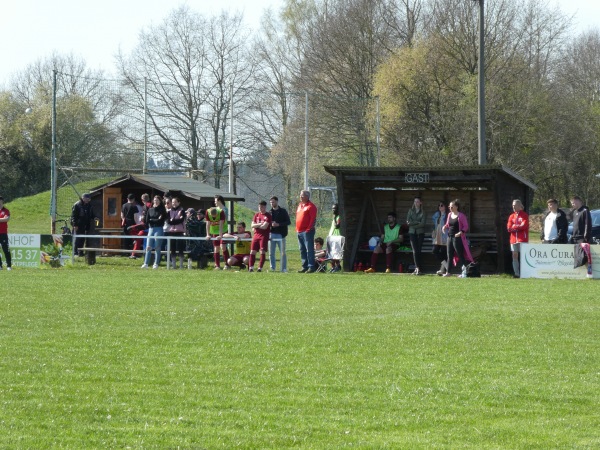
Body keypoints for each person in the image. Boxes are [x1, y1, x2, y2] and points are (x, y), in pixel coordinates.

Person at [442, 199, 474, 278]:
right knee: (449, 255)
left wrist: (460, 232)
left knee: (460, 255)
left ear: (456, 207)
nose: (450, 208)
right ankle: (448, 272)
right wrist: (444, 227)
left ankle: (465, 272)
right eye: (449, 206)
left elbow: (466, 227)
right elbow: (447, 224)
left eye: (452, 206)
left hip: (458, 238)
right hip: (450, 237)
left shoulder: (461, 216)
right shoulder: (449, 215)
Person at [141, 195, 167, 269]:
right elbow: (147, 220)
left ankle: (156, 263)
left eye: (157, 200)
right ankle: (146, 263)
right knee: (148, 246)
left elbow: (160, 220)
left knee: (157, 247)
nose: (156, 201)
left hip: (159, 228)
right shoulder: (150, 209)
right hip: (151, 229)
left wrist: (152, 220)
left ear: (160, 201)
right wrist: (153, 220)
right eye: (155, 200)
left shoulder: (162, 210)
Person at [296, 190, 318, 273]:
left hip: (307, 231)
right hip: (299, 231)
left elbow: (312, 219)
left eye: (302, 195)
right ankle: (304, 266)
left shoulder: (311, 206)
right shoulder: (299, 205)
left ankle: (311, 266)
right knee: (302, 249)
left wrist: (308, 229)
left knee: (309, 249)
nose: (301, 197)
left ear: (307, 196)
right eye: (300, 195)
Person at [507, 199, 529, 278]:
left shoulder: (524, 215)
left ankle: (525, 273)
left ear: (520, 206)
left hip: (522, 239)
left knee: (523, 256)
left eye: (515, 205)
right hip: (513, 239)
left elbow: (524, 226)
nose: (513, 207)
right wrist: (516, 227)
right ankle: (517, 273)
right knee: (514, 255)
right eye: (513, 205)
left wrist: (514, 227)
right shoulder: (511, 216)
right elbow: (509, 228)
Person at [70, 193, 97, 257]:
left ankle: (80, 252)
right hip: (78, 224)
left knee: (82, 238)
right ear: (83, 198)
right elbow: (73, 216)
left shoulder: (89, 205)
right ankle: (75, 252)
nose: (87, 200)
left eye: (88, 199)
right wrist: (75, 225)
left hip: (86, 224)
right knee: (77, 238)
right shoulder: (77, 205)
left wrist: (94, 217)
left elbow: (91, 214)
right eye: (86, 198)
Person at [249, 201, 272, 272]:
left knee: (262, 251)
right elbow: (252, 225)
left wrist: (256, 225)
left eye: (262, 207)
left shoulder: (268, 215)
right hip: (256, 235)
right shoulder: (256, 215)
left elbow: (265, 227)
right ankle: (251, 268)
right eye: (259, 207)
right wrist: (259, 224)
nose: (260, 208)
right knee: (252, 251)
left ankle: (260, 268)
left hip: (264, 236)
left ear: (265, 207)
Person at [269, 196, 290, 273]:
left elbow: (288, 222)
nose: (272, 203)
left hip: (281, 235)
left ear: (277, 202)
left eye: (273, 202)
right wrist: (271, 224)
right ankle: (272, 268)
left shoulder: (283, 211)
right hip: (272, 234)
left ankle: (284, 268)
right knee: (271, 253)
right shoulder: (269, 212)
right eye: (271, 202)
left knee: (283, 252)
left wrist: (278, 224)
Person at [407, 196, 426, 275]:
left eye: (417, 201)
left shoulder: (423, 212)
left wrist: (413, 223)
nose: (416, 203)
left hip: (420, 233)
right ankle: (417, 268)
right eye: (415, 201)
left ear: (420, 203)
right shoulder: (410, 211)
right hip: (412, 233)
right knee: (415, 251)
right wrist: (417, 222)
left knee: (418, 250)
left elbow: (422, 224)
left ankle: (418, 268)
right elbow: (408, 222)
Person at [165, 197, 186, 269]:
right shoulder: (169, 211)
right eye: (173, 202)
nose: (174, 204)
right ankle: (173, 265)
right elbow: (168, 221)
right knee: (172, 248)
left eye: (175, 202)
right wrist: (175, 220)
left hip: (179, 231)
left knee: (180, 248)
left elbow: (181, 220)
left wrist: (173, 220)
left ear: (179, 202)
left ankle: (181, 265)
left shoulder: (182, 210)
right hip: (171, 231)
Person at [205, 205, 227, 269]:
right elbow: (207, 224)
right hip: (214, 231)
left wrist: (220, 235)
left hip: (223, 230)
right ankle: (217, 265)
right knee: (216, 248)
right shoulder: (207, 212)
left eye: (216, 216)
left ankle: (227, 264)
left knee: (223, 247)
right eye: (213, 217)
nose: (214, 218)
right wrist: (208, 234)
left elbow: (221, 225)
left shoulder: (221, 212)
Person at [432, 201, 449, 275]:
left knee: (444, 253)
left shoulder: (448, 215)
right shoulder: (437, 215)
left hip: (444, 235)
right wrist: (434, 231)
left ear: (445, 207)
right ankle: (447, 266)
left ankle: (443, 270)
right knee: (435, 251)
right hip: (437, 235)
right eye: (439, 205)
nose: (440, 207)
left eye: (442, 205)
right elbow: (435, 224)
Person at [328, 203, 342, 272]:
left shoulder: (339, 217)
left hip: (337, 237)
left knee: (336, 253)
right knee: (331, 253)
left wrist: (334, 218)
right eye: (332, 209)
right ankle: (333, 267)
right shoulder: (334, 217)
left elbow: (337, 226)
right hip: (332, 236)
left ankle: (338, 266)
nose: (333, 210)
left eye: (335, 209)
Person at [0, 196, 12, 271]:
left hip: (3, 233)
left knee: (6, 250)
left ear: (2, 201)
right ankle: (0, 266)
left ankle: (9, 266)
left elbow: (6, 219)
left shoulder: (6, 210)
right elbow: (3, 219)